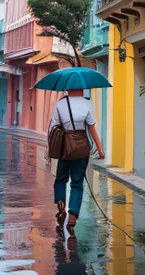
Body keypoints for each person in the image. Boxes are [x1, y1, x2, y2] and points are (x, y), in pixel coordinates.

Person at [49, 89, 105, 236]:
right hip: (81, 146)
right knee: (77, 182)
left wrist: (52, 147)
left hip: (65, 146)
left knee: (60, 179)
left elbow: (53, 126)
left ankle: (61, 207)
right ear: (81, 89)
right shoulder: (87, 103)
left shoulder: (61, 104)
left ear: (68, 88)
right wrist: (100, 149)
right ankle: (73, 214)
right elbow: (91, 128)